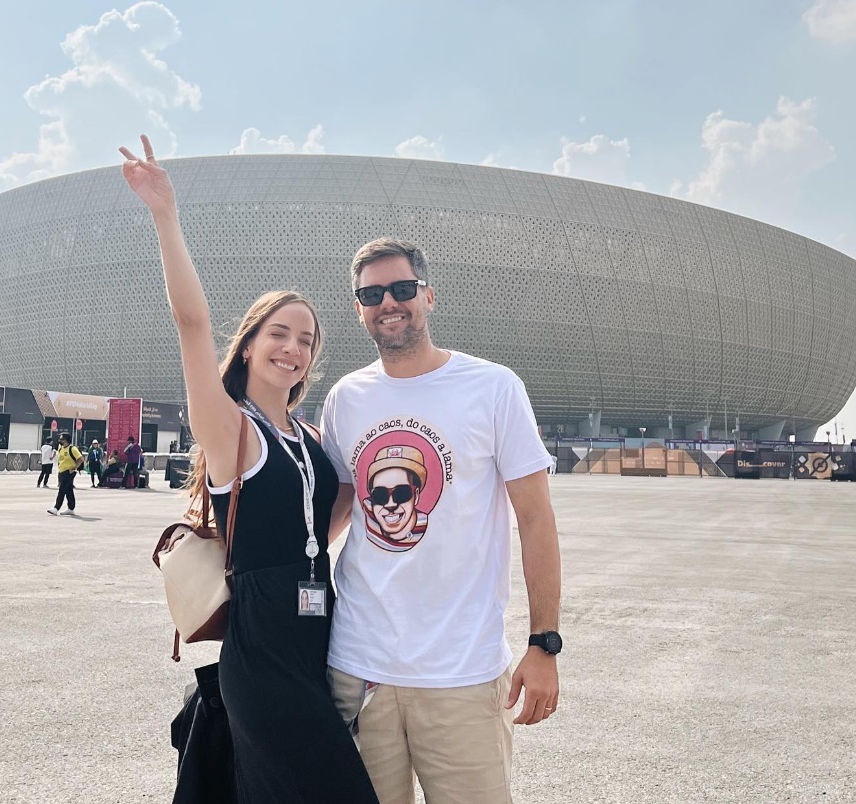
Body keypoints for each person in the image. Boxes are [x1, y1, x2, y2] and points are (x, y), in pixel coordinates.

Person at [119, 134, 378, 804]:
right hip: (260, 645)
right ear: (252, 343)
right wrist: (164, 216)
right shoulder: (233, 430)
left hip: (316, 628)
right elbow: (190, 323)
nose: (292, 349)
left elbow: (334, 513)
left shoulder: (310, 435)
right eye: (278, 334)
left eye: (306, 340)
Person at [321, 238, 562, 804]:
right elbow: (338, 509)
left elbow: (535, 519)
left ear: (429, 296)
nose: (389, 303)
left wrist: (543, 643)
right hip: (358, 669)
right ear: (358, 309)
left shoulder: (493, 388)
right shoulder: (345, 398)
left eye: (403, 289)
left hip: (461, 673)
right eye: (372, 294)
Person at [47, 432, 84, 516]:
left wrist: (74, 468)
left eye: (61, 439)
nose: (59, 440)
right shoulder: (60, 447)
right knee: (68, 490)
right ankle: (71, 508)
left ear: (66, 440)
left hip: (69, 472)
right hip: (61, 472)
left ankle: (56, 508)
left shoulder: (72, 449)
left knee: (62, 490)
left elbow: (81, 459)